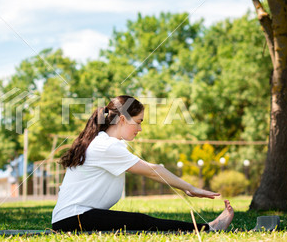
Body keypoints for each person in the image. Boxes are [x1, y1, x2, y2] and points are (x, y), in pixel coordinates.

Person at [51, 95, 234, 233]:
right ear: (122, 119)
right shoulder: (106, 145)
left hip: (74, 218)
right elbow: (154, 171)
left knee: (139, 221)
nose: (140, 129)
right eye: (138, 122)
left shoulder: (105, 142)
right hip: (74, 219)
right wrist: (190, 188)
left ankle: (208, 227)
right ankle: (209, 228)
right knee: (142, 222)